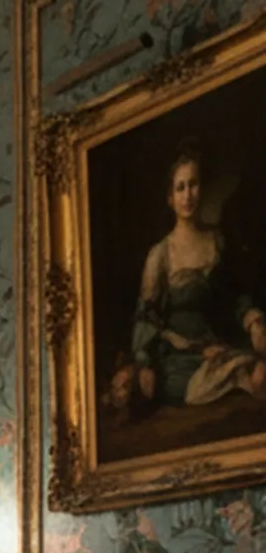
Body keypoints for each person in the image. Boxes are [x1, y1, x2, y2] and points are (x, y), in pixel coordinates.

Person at [108, 138, 266, 413]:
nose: (188, 195)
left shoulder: (217, 241)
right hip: (177, 358)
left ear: (202, 188)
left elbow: (233, 296)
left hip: (218, 346)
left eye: (193, 184)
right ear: (170, 198)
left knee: (257, 374)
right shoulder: (161, 254)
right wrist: (145, 362)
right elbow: (146, 318)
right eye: (180, 188)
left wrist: (253, 322)